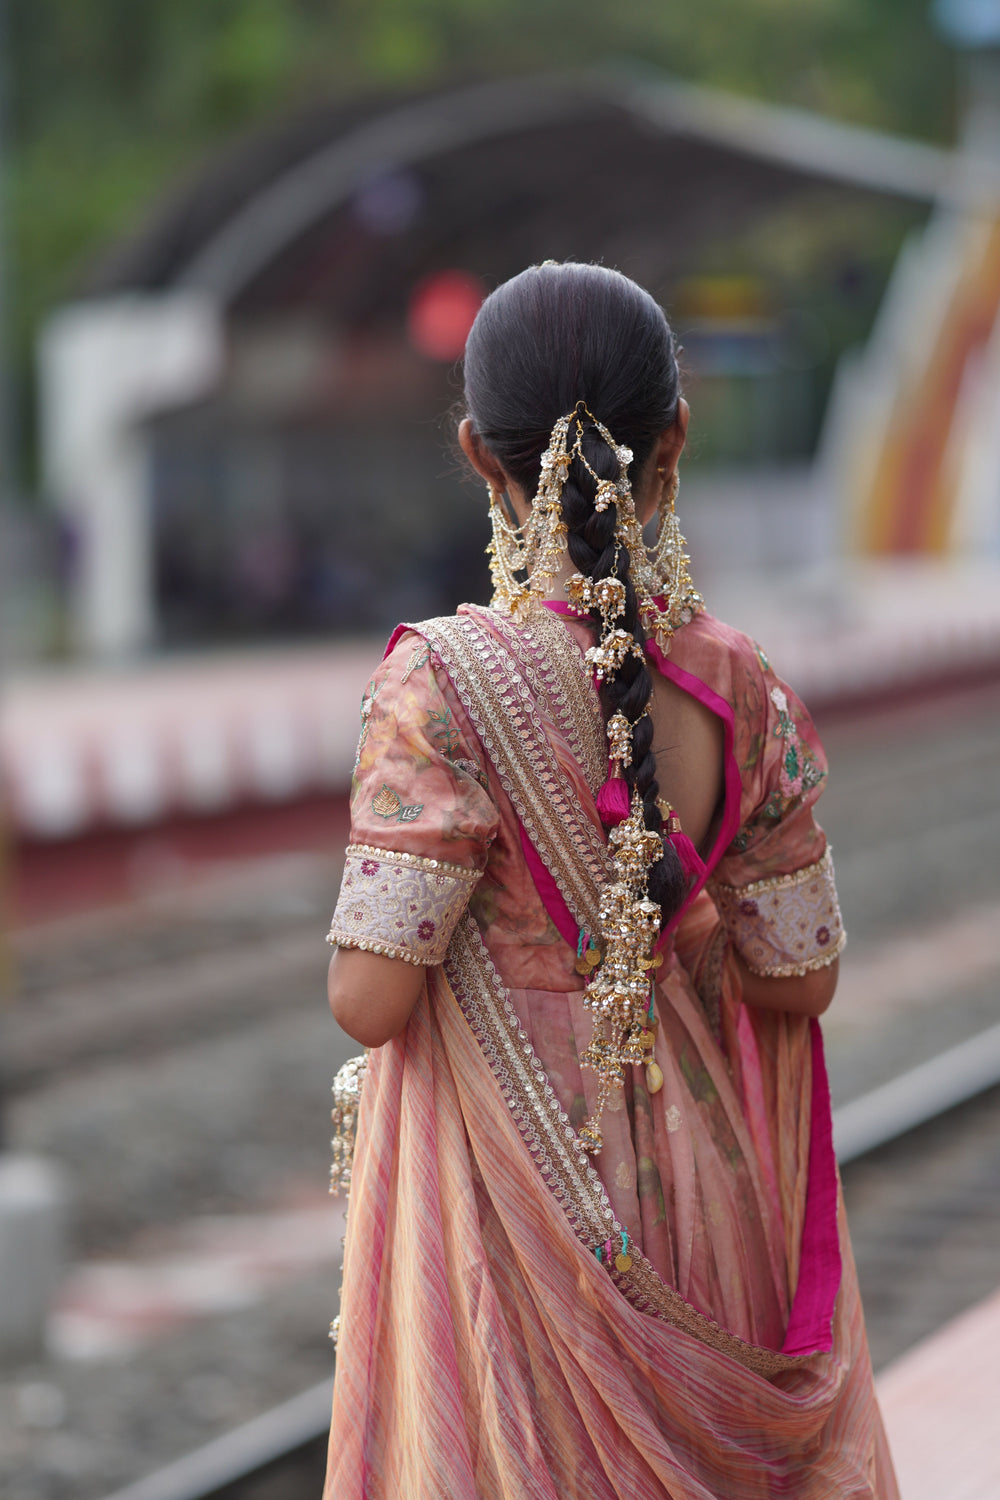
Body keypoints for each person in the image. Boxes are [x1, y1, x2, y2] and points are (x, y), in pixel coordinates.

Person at [323, 262, 898, 1498]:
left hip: (512, 1217)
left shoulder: (441, 687)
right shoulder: (737, 682)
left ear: (480, 455)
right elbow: (802, 979)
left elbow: (370, 1002)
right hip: (704, 1201)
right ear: (673, 439)